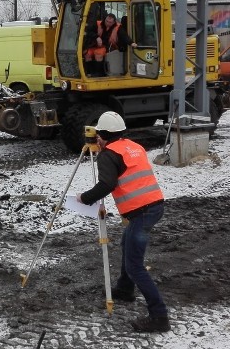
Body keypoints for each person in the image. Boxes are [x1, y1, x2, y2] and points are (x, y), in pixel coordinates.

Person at [76, 111, 169, 333]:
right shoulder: (133, 146)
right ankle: (125, 290)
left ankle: (159, 316)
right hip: (154, 205)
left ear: (102, 135)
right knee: (127, 244)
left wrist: (84, 198)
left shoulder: (108, 154)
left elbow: (107, 184)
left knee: (135, 266)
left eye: (98, 134)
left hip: (142, 212)